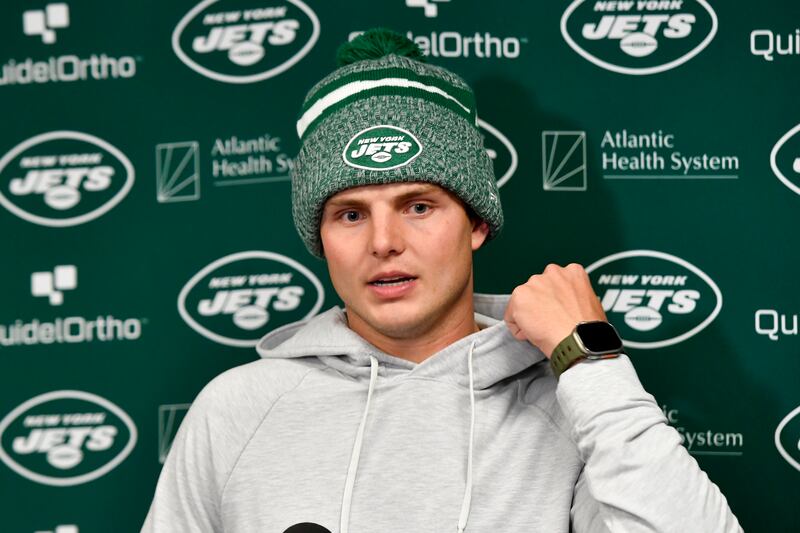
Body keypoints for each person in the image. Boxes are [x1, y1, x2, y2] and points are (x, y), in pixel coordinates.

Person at [142, 29, 742, 532]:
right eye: (350, 214)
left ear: (476, 222)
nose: (383, 242)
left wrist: (590, 359)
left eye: (418, 206)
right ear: (319, 239)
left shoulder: (566, 406)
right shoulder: (237, 411)